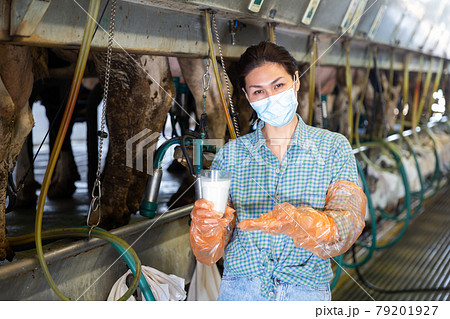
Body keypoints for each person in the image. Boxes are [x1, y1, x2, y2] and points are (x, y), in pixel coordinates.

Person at [189, 41, 367, 301]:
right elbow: (210, 253)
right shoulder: (230, 155)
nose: (271, 97)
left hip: (304, 294)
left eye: (278, 85)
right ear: (247, 96)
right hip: (241, 294)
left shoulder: (333, 147)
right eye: (258, 91)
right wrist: (207, 229)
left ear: (296, 81)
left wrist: (303, 224)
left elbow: (349, 223)